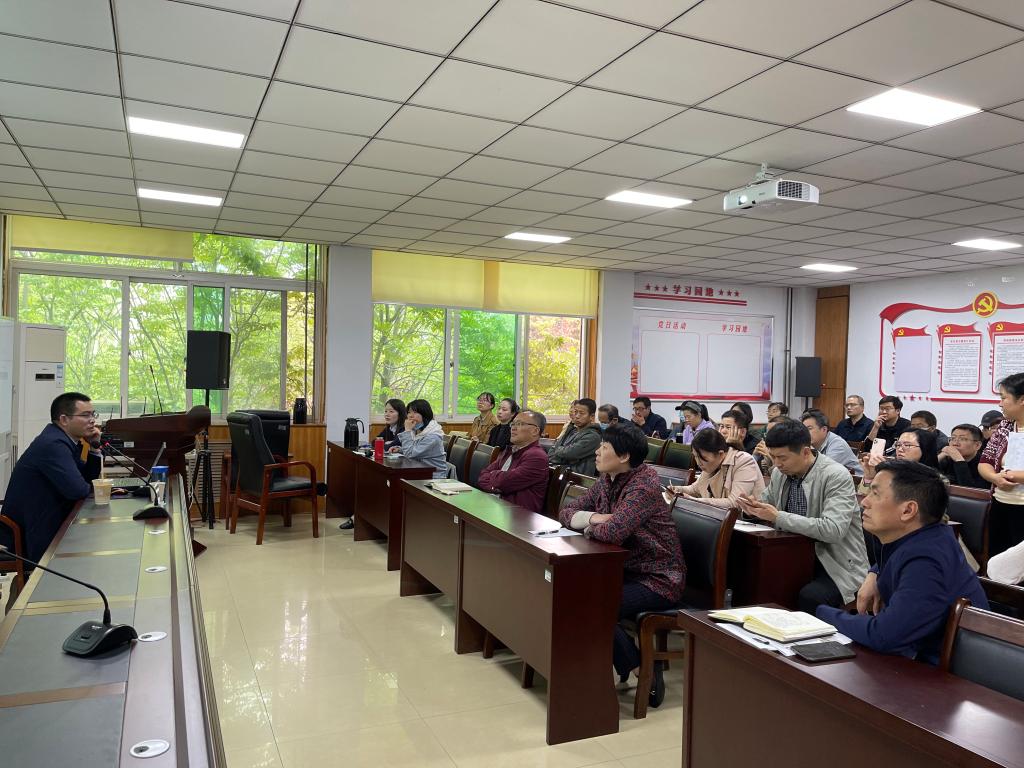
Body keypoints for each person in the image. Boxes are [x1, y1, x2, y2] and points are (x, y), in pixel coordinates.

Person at [559, 422, 683, 709]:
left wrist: (587, 525)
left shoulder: (644, 485)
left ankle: (642, 669)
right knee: (569, 594)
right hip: (625, 571)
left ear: (624, 456)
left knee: (590, 605)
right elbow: (566, 511)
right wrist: (594, 518)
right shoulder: (608, 479)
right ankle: (627, 661)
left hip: (658, 579)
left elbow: (614, 532)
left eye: (604, 447)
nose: (597, 452)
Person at [816, 461, 988, 665]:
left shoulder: (926, 561)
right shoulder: (923, 535)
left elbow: (885, 636)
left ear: (908, 510)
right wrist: (875, 572)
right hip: (913, 657)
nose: (864, 502)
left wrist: (820, 614)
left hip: (939, 672)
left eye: (875, 494)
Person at [736, 419, 869, 613]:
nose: (777, 464)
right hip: (794, 554)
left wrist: (778, 517)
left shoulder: (835, 475)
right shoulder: (779, 474)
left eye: (782, 458)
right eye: (773, 457)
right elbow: (766, 505)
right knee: (751, 576)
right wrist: (751, 510)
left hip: (835, 562)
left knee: (810, 596)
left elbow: (833, 530)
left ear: (806, 452)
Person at [1, 392, 102, 561]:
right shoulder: (53, 444)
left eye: (93, 414)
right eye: (85, 415)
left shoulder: (62, 439)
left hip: (47, 521)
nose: (92, 420)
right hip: (29, 533)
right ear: (64, 419)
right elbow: (78, 490)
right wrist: (94, 488)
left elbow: (84, 480)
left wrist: (94, 448)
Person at [979, 373, 1024, 556]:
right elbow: (985, 461)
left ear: (1022, 400)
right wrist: (995, 477)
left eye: (1004, 398)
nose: (1000, 403)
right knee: (997, 560)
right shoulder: (1005, 426)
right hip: (1001, 504)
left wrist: (1011, 476)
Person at [667, 428, 765, 507]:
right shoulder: (711, 465)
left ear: (720, 454)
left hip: (750, 522)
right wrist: (677, 490)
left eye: (703, 458)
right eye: (695, 457)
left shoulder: (744, 461)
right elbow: (695, 489)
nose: (698, 463)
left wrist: (692, 501)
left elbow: (735, 503)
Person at [477, 410, 550, 513]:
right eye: (513, 424)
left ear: (535, 431)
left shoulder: (537, 456)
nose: (513, 428)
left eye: (520, 424)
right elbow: (482, 476)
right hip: (497, 507)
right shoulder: (512, 450)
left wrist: (494, 475)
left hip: (518, 515)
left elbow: (504, 482)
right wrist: (497, 482)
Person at [860, 428, 939, 487]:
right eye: (898, 445)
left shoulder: (934, 480)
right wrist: (869, 478)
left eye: (907, 445)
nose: (900, 449)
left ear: (925, 448)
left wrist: (884, 476)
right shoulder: (893, 470)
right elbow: (864, 499)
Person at [393, 399, 448, 478]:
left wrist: (407, 431)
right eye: (409, 412)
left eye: (415, 412)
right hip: (420, 472)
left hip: (433, 477)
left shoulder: (433, 437)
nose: (410, 415)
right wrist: (400, 449)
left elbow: (410, 454)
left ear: (425, 414)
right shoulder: (418, 431)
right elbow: (417, 450)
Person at [547, 398, 601, 476]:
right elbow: (553, 450)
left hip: (577, 477)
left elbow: (570, 453)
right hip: (562, 471)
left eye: (581, 413)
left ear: (591, 416)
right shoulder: (572, 430)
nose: (577, 416)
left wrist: (558, 450)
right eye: (575, 412)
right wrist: (559, 450)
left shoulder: (593, 436)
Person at [938, 424, 988, 489]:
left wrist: (959, 460)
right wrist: (940, 457)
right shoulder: (946, 459)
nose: (955, 443)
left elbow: (971, 492)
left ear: (977, 445)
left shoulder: (986, 465)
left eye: (962, 439)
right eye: (953, 438)